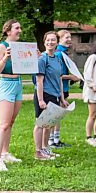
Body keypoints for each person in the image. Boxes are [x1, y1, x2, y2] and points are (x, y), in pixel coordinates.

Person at [0, 19, 23, 172]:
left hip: (18, 84)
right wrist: (5, 57)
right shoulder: (2, 47)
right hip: (6, 84)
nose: (20, 30)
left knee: (10, 122)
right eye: (17, 28)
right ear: (8, 31)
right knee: (3, 124)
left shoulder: (19, 47)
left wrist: (34, 58)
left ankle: (5, 153)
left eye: (20, 28)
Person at [33, 32, 68, 160]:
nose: (50, 42)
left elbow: (59, 79)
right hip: (44, 95)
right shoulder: (42, 58)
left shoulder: (58, 59)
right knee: (40, 124)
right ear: (44, 42)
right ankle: (38, 152)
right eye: (48, 40)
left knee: (49, 124)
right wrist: (41, 100)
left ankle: (45, 149)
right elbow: (39, 81)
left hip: (54, 95)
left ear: (57, 42)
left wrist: (62, 98)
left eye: (53, 40)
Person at [48, 30, 80, 149]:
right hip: (57, 89)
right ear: (59, 39)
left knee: (59, 114)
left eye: (70, 37)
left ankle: (56, 139)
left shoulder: (64, 53)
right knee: (55, 115)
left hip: (63, 88)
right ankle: (51, 141)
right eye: (66, 37)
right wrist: (71, 77)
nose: (69, 39)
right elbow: (58, 75)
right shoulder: (58, 54)